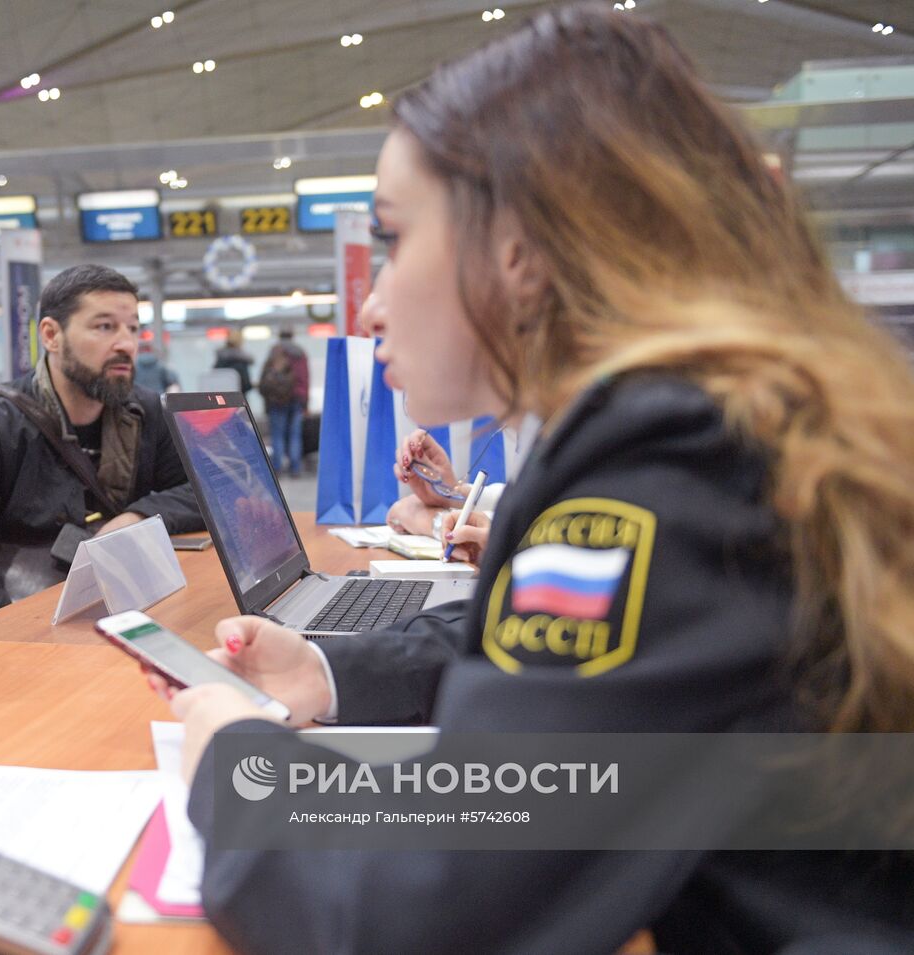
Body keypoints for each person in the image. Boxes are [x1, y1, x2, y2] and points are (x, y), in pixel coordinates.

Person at [155, 6, 914, 953]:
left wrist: (236, 765)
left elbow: (411, 915)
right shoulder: (725, 424)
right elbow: (563, 665)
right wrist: (326, 666)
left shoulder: (666, 465)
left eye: (394, 237)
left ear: (517, 249)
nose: (376, 301)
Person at [0, 264, 205, 624]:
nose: (127, 344)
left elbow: (202, 490)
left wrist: (135, 517)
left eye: (132, 328)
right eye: (105, 327)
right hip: (21, 619)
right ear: (52, 336)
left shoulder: (145, 412)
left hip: (123, 610)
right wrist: (15, 647)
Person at [257, 326, 309, 476]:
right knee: (295, 434)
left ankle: (278, 467)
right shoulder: (300, 352)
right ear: (292, 336)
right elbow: (305, 377)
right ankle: (295, 468)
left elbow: (266, 376)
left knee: (277, 434)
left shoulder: (275, 351)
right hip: (297, 398)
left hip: (277, 399)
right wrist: (305, 400)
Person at [213, 327, 255, 395]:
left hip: (220, 399)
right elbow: (246, 385)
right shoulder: (241, 361)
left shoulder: (219, 361)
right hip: (238, 400)